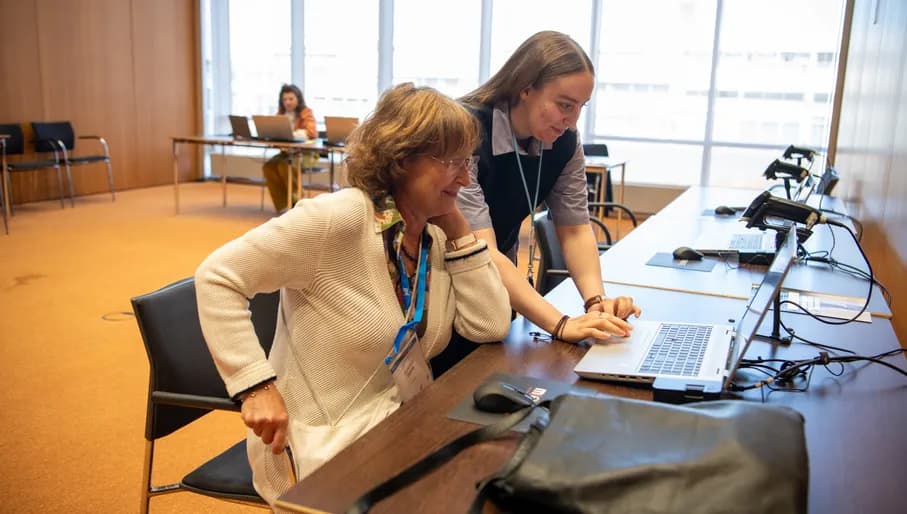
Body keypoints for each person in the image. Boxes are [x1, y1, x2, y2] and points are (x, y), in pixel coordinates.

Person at [195, 83, 511, 504]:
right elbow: (218, 276)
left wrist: (459, 231)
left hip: (401, 431)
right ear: (402, 157)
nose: (466, 177)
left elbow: (489, 324)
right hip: (320, 452)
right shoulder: (339, 219)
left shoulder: (433, 237)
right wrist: (254, 385)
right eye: (452, 161)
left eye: (467, 161)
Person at [433, 31, 642, 374]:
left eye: (579, 108)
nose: (572, 121)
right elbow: (481, 249)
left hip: (497, 280)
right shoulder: (466, 130)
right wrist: (559, 324)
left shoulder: (564, 142)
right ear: (525, 88)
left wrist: (596, 304)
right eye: (564, 105)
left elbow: (574, 230)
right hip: (441, 276)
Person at [261, 84, 318, 213]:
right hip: (286, 153)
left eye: (291, 99)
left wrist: (292, 133)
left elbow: (311, 132)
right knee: (268, 167)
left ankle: (298, 202)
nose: (288, 102)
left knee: (285, 166)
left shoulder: (306, 112)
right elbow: (276, 133)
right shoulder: (280, 114)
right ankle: (283, 206)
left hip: (306, 154)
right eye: (285, 99)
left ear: (298, 99)